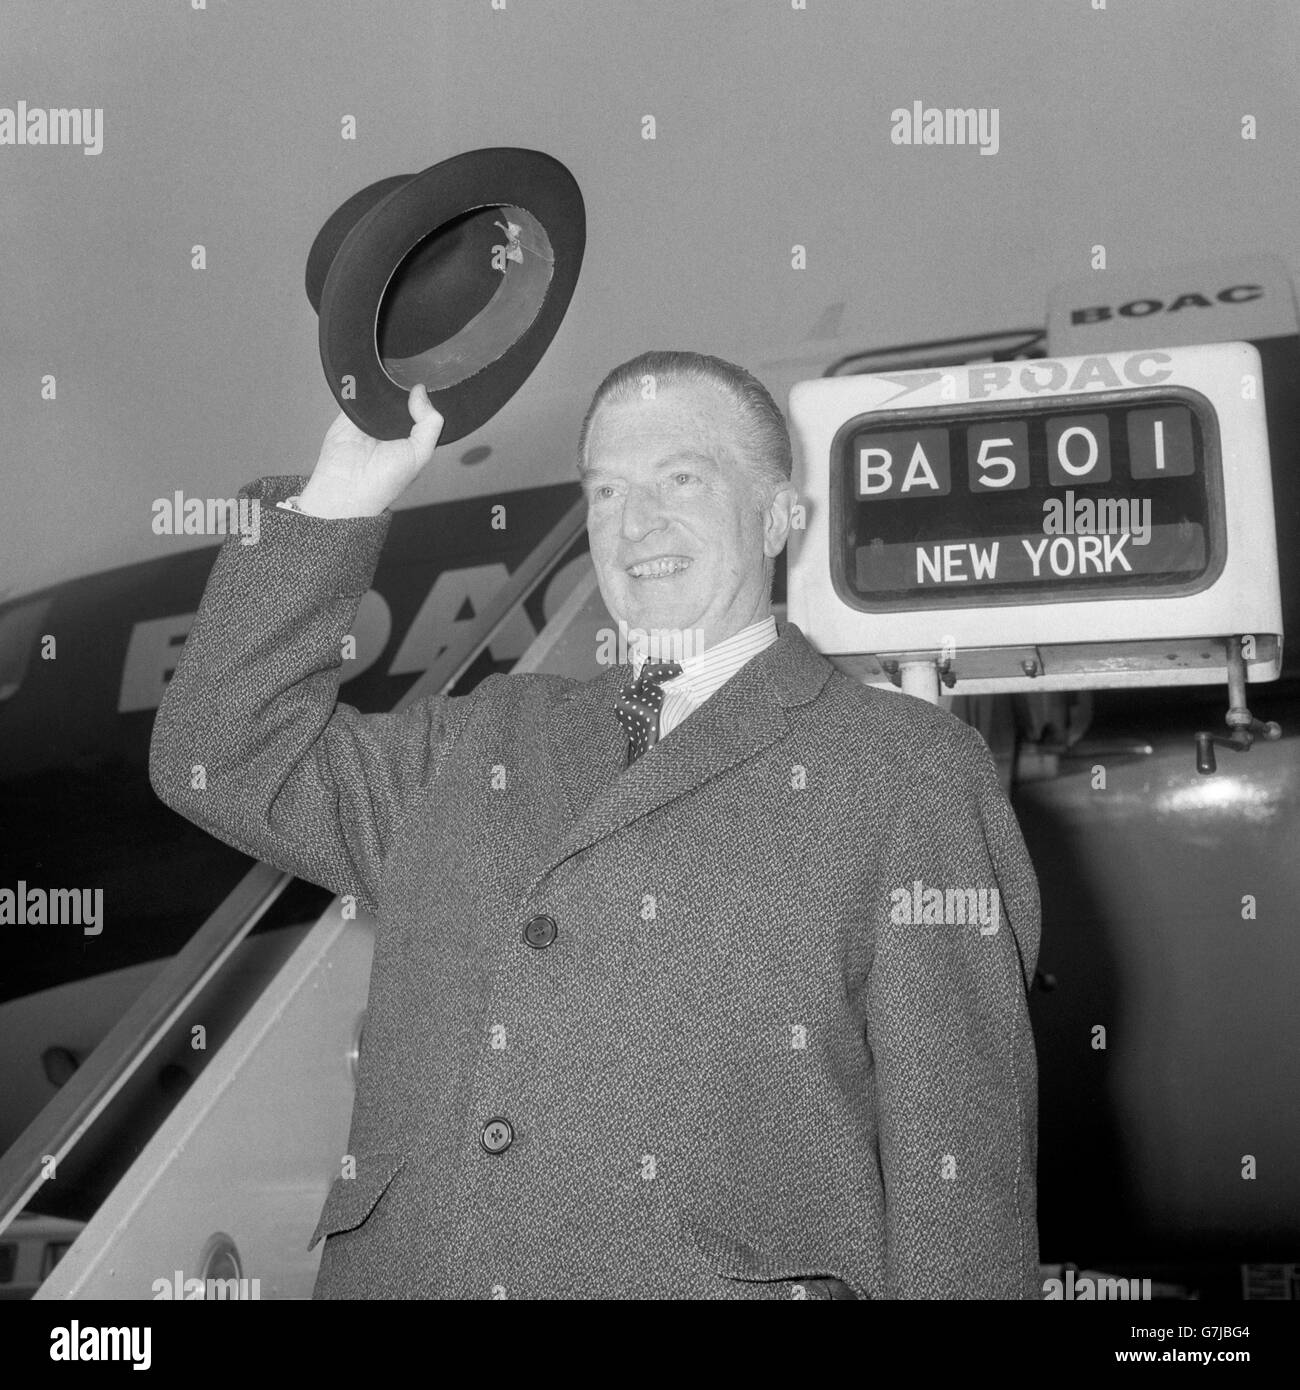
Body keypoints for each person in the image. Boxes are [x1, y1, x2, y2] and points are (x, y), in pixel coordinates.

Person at [150, 350, 1041, 1300]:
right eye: (607, 490)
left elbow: (960, 1173)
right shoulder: (480, 738)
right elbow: (221, 756)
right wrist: (342, 494)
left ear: (782, 513)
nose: (636, 522)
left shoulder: (908, 772)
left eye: (682, 479)